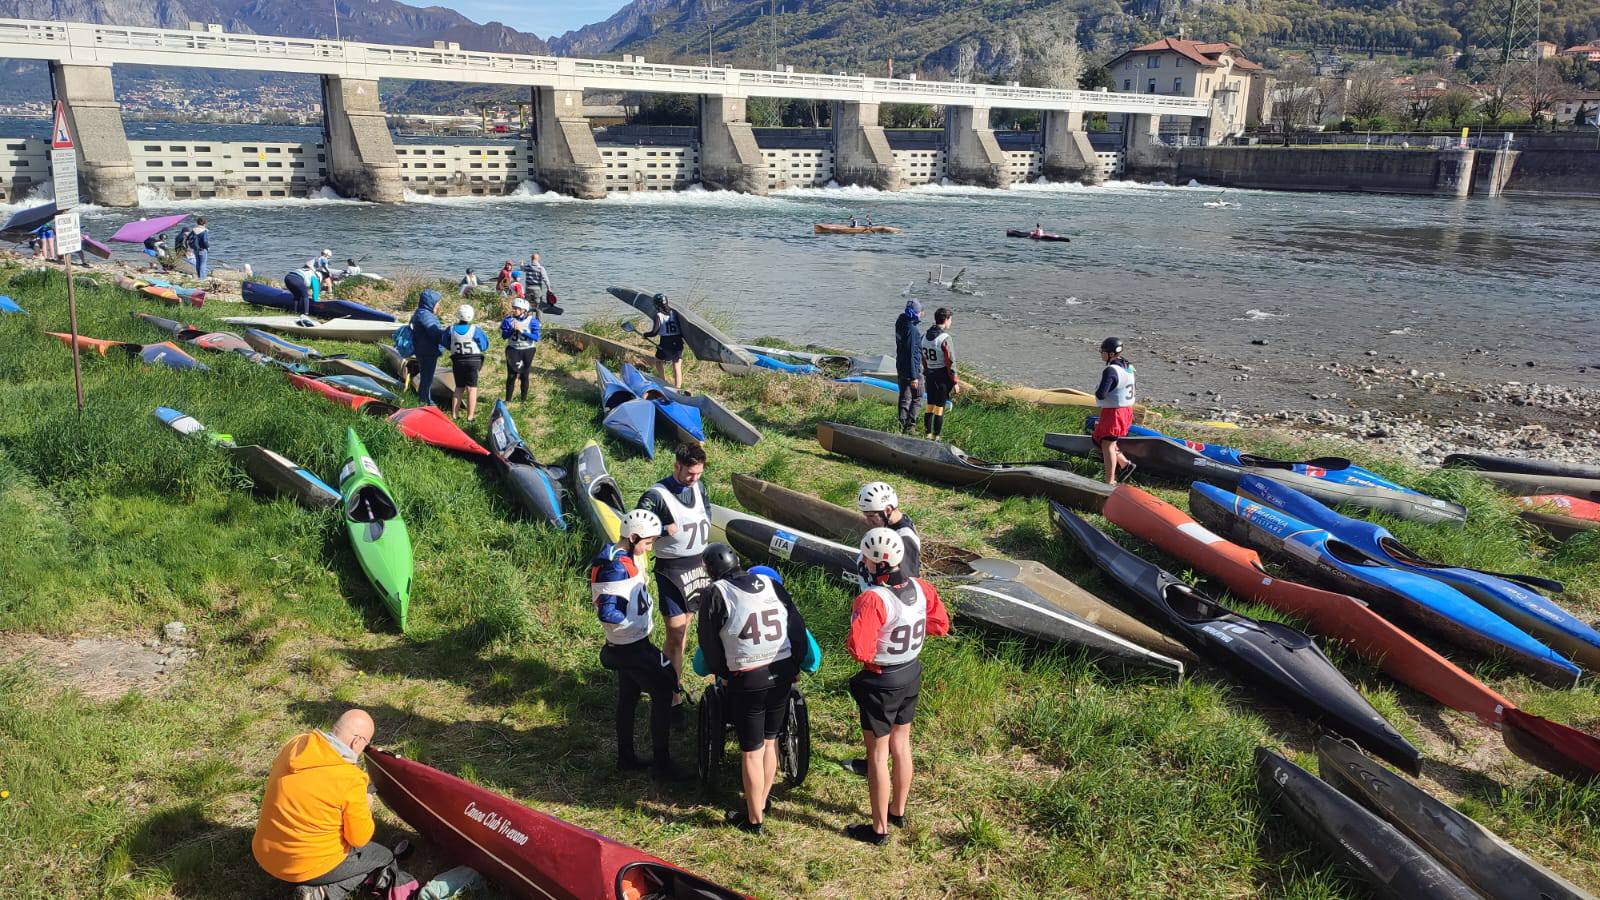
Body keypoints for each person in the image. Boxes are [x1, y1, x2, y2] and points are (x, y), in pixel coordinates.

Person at [844, 528, 949, 845]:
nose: (863, 562)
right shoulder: (922, 587)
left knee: (877, 755)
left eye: (866, 558)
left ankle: (878, 830)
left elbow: (859, 650)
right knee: (901, 743)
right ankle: (898, 811)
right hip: (911, 672)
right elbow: (940, 626)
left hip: (881, 680)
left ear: (877, 563)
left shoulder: (873, 599)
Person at [699, 543, 807, 834]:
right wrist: (795, 663)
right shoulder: (771, 584)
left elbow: (709, 644)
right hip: (781, 671)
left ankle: (754, 819)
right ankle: (762, 800)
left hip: (747, 679)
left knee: (751, 750)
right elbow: (796, 627)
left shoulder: (715, 593)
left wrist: (724, 674)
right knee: (770, 742)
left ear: (710, 572)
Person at [252, 709, 396, 897]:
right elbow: (359, 839)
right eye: (366, 745)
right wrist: (365, 807)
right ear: (357, 742)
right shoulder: (350, 780)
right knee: (383, 858)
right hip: (305, 866)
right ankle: (322, 893)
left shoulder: (296, 744)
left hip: (265, 853)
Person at [593, 508, 685, 778]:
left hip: (631, 643)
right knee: (664, 690)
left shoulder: (623, 556)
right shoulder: (615, 567)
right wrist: (629, 625)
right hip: (630, 646)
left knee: (629, 695)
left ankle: (626, 758)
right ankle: (662, 764)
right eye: (647, 542)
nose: (649, 548)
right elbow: (607, 612)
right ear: (632, 538)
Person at [636, 441, 710, 706]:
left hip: (698, 566)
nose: (694, 478)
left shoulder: (700, 486)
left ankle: (671, 682)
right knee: (676, 633)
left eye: (699, 473)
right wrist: (662, 530)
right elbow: (635, 531)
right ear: (677, 465)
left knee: (684, 630)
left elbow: (706, 514)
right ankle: (671, 696)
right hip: (672, 570)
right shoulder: (656, 495)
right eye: (690, 473)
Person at [1092, 336, 1138, 484]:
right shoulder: (1128, 367)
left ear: (1111, 354)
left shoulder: (1111, 370)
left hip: (1114, 412)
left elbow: (1101, 394)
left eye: (1103, 351)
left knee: (1108, 445)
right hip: (1126, 410)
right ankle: (1125, 464)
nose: (1101, 353)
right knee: (1104, 440)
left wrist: (1097, 390)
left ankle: (1110, 481)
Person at [857, 482, 922, 578]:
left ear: (888, 510)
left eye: (871, 516)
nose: (867, 521)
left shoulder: (904, 538)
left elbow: (908, 578)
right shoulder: (893, 522)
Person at [921, 307, 960, 440]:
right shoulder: (945, 338)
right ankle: (936, 436)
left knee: (930, 405)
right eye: (950, 320)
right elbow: (950, 361)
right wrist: (955, 382)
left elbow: (923, 359)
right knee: (939, 408)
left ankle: (927, 434)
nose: (951, 322)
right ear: (946, 320)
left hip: (929, 375)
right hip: (942, 377)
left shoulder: (924, 337)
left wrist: (927, 370)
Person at [445, 304, 489, 422]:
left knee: (459, 387)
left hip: (457, 360)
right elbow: (484, 345)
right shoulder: (475, 330)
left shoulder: (450, 329)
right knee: (472, 388)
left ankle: (454, 415)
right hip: (474, 360)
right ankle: (470, 417)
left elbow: (445, 342)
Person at [409, 290, 446, 407]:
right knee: (427, 378)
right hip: (427, 351)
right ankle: (425, 401)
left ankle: (424, 399)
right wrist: (448, 333)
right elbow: (434, 333)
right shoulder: (426, 316)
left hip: (423, 350)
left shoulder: (421, 312)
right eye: (437, 303)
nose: (438, 305)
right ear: (430, 303)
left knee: (426, 377)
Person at [500, 297, 541, 402]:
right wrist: (511, 330)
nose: (513, 310)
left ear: (523, 310)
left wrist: (522, 331)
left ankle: (523, 401)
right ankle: (508, 400)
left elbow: (536, 338)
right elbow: (504, 336)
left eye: (516, 308)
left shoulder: (532, 321)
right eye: (513, 307)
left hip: (527, 350)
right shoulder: (508, 320)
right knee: (511, 375)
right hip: (513, 349)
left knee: (524, 375)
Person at [643, 293, 686, 390]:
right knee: (676, 364)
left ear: (656, 305)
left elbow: (654, 332)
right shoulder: (675, 313)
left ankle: (662, 382)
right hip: (678, 341)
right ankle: (678, 388)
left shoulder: (658, 315)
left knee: (658, 361)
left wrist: (646, 335)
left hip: (666, 342)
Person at [894, 299, 924, 435]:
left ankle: (900, 425)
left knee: (904, 397)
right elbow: (912, 353)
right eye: (920, 311)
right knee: (917, 397)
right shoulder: (913, 330)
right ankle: (910, 426)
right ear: (916, 312)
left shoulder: (900, 322)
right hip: (912, 369)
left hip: (901, 365)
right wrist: (914, 377)